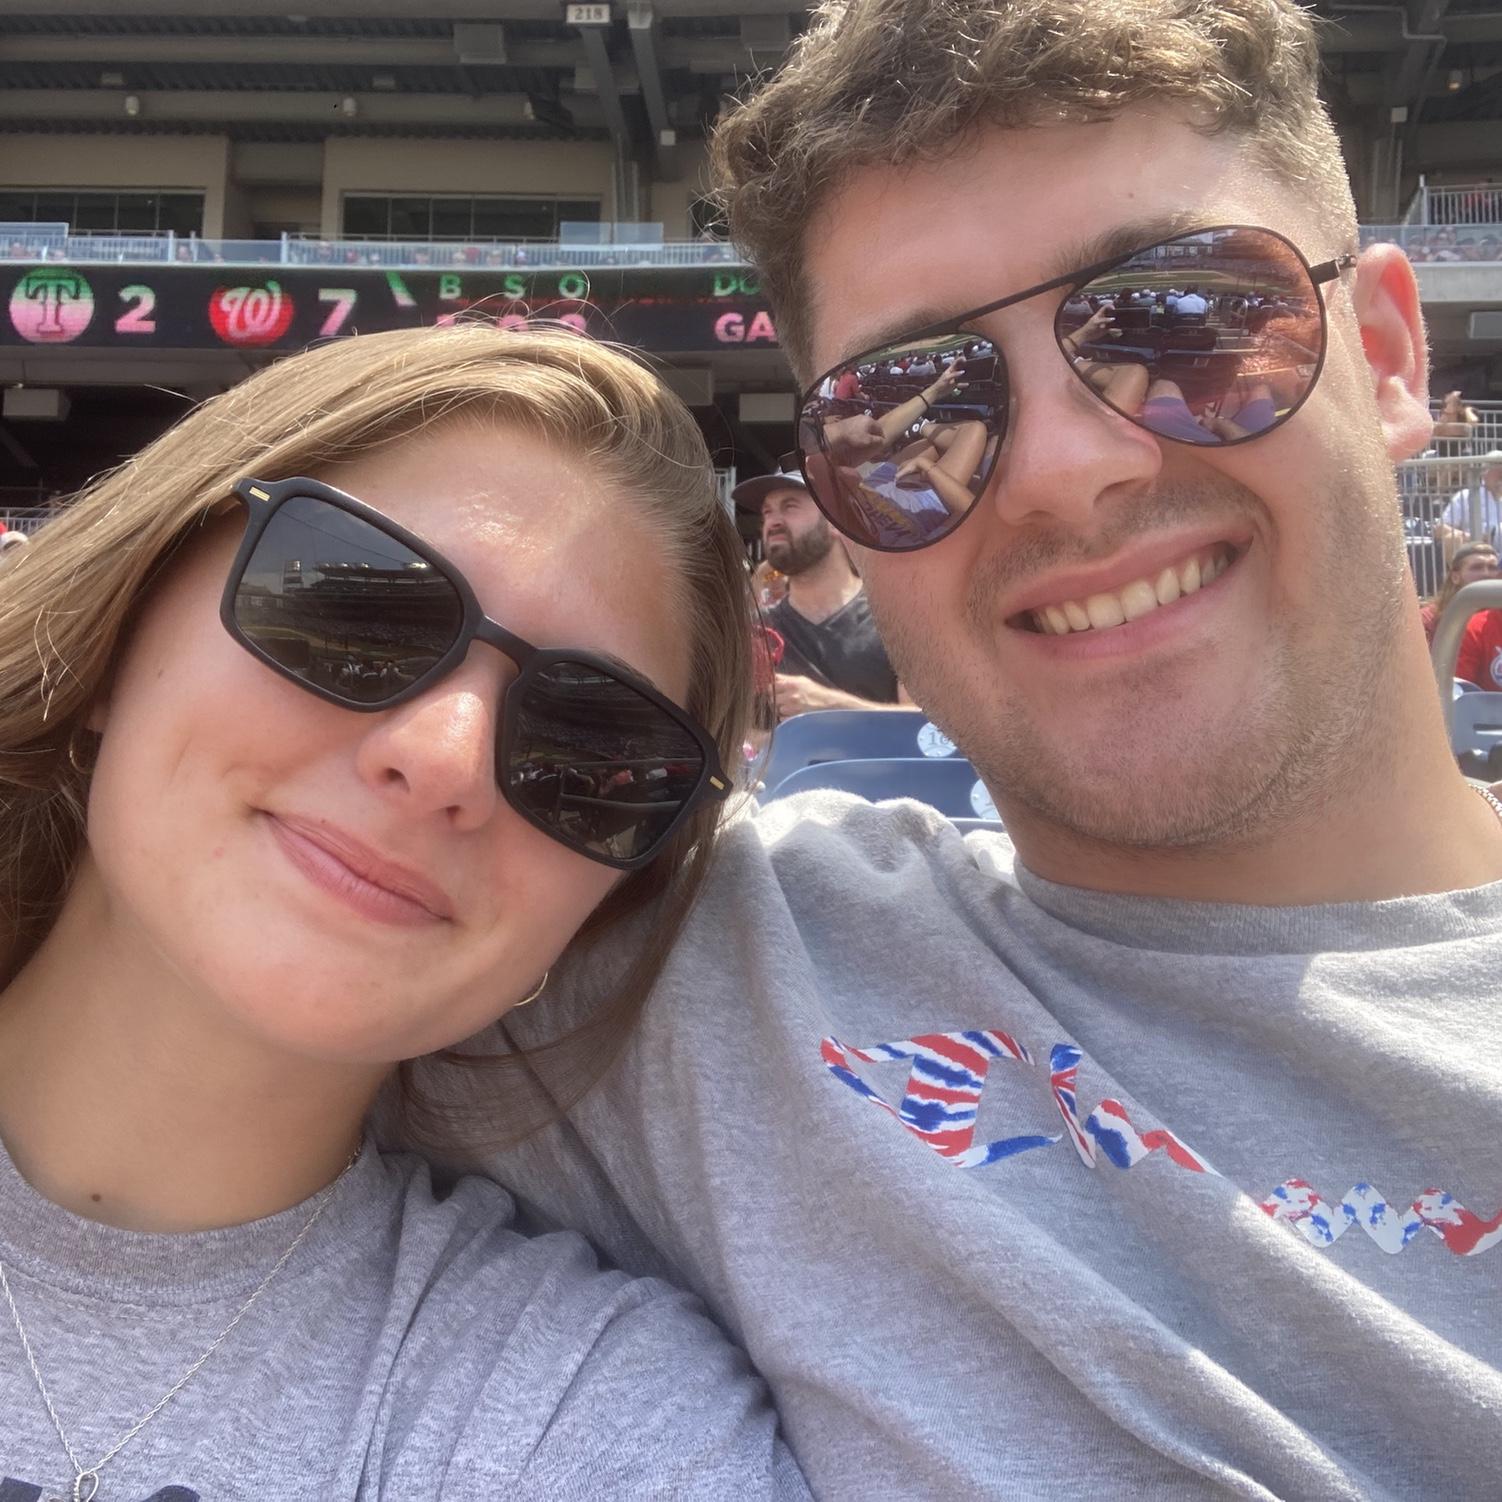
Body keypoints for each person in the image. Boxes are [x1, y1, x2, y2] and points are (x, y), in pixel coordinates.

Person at [476, 2, 1502, 1498]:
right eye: (906, 415)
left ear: (1389, 354)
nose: (1062, 471)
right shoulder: (704, 979)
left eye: (1180, 322)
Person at [0, 324, 806, 1500]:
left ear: (594, 911)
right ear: (121, 629)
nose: (445, 759)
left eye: (590, 747)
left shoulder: (586, 1413)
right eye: (355, 608)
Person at [733, 466, 905, 716]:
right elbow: (737, 730)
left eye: (790, 507)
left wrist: (830, 707)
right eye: (767, 512)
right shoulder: (756, 633)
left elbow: (924, 728)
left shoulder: (895, 621)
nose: (773, 521)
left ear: (836, 523)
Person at [1420, 539, 1498, 644]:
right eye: (1476, 568)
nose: (1486, 574)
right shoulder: (1428, 619)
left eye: (1492, 568)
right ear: (1455, 577)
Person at [1436, 447, 1502, 554]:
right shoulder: (1465, 496)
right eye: (1497, 468)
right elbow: (1440, 529)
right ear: (1484, 473)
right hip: (1475, 550)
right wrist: (1474, 538)